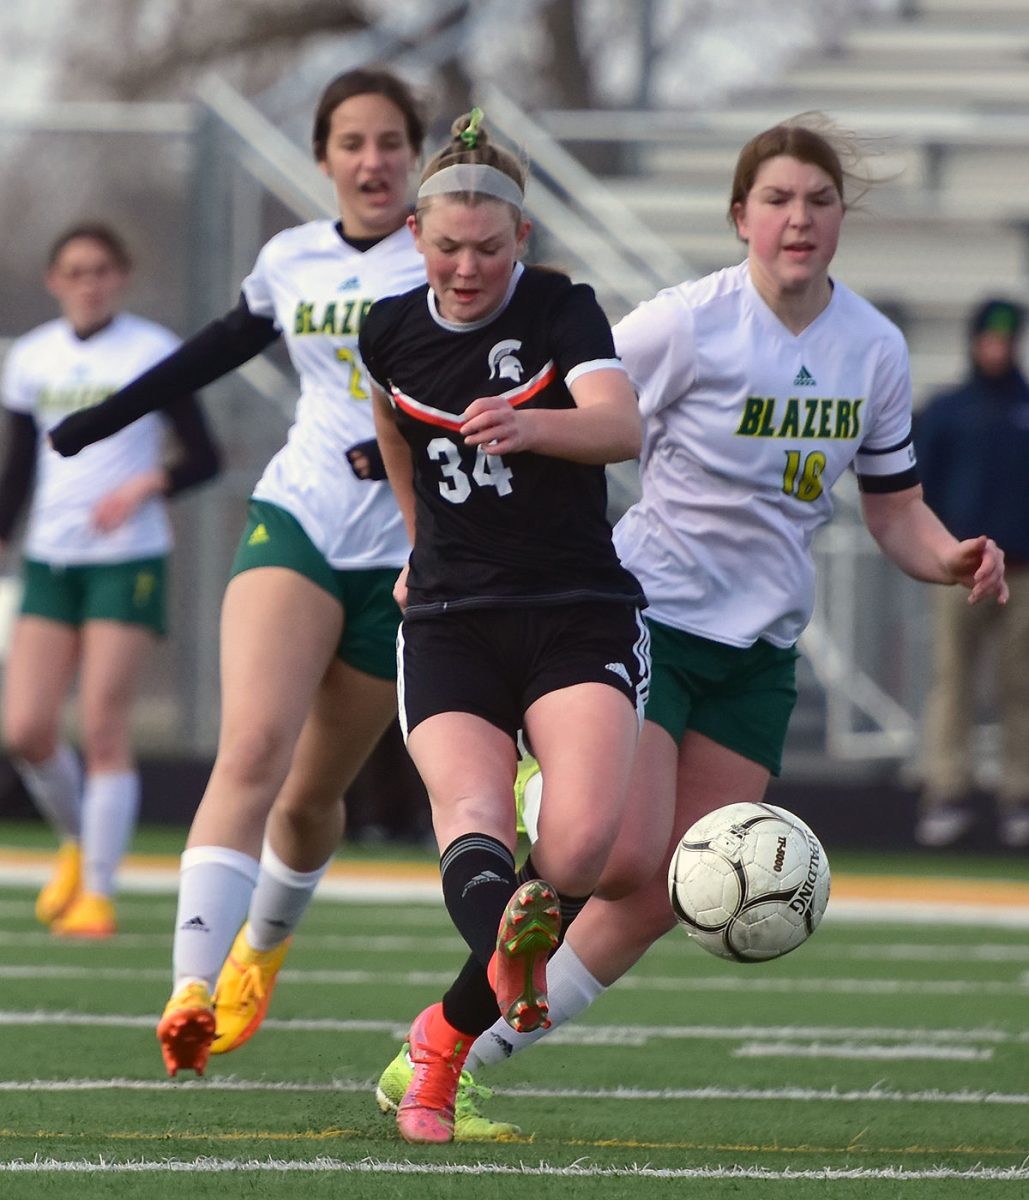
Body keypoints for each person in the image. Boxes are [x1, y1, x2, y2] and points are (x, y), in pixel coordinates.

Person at [373, 113, 1009, 1136]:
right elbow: (572, 405)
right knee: (617, 859)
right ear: (740, 216)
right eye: (778, 200)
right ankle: (548, 782)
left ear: (842, 217)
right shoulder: (685, 323)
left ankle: (446, 1048)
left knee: (665, 893)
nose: (799, 218)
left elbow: (893, 504)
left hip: (759, 653)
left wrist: (949, 556)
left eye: (819, 200)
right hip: (650, 614)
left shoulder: (874, 347)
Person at [48, 67, 429, 1076]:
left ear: (416, 156)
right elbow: (220, 345)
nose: (373, 160)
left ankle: (261, 948)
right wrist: (102, 420)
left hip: (402, 556)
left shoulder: (448, 256)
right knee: (250, 747)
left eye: (391, 141)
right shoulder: (293, 257)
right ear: (323, 159)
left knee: (309, 797)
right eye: (352, 141)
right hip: (296, 518)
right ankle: (187, 988)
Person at [359, 108, 649, 1144]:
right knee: (474, 817)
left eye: (488, 248)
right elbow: (394, 429)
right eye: (448, 247)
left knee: (575, 853)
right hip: (448, 615)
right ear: (416, 238)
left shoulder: (564, 310)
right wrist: (409, 539)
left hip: (573, 612)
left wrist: (536, 425)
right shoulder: (387, 329)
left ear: (520, 239)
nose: (467, 267)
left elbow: (622, 426)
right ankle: (451, 1048)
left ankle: (444, 1029)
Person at [0, 222, 221, 938]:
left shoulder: (152, 351)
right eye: (74, 270)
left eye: (100, 269)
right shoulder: (32, 358)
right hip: (50, 558)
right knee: (26, 728)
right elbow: (20, 467)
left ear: (120, 275)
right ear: (53, 280)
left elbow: (205, 457)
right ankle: (76, 842)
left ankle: (97, 888)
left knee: (102, 725)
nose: (87, 282)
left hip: (127, 557)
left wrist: (145, 485)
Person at [914, 297, 1029, 849]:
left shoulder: (1025, 408)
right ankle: (947, 790)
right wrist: (941, 550)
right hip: (959, 575)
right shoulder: (948, 411)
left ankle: (1019, 794)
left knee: (1020, 686)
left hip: (1025, 577)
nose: (997, 349)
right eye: (990, 338)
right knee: (953, 680)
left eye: (1006, 340)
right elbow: (915, 491)